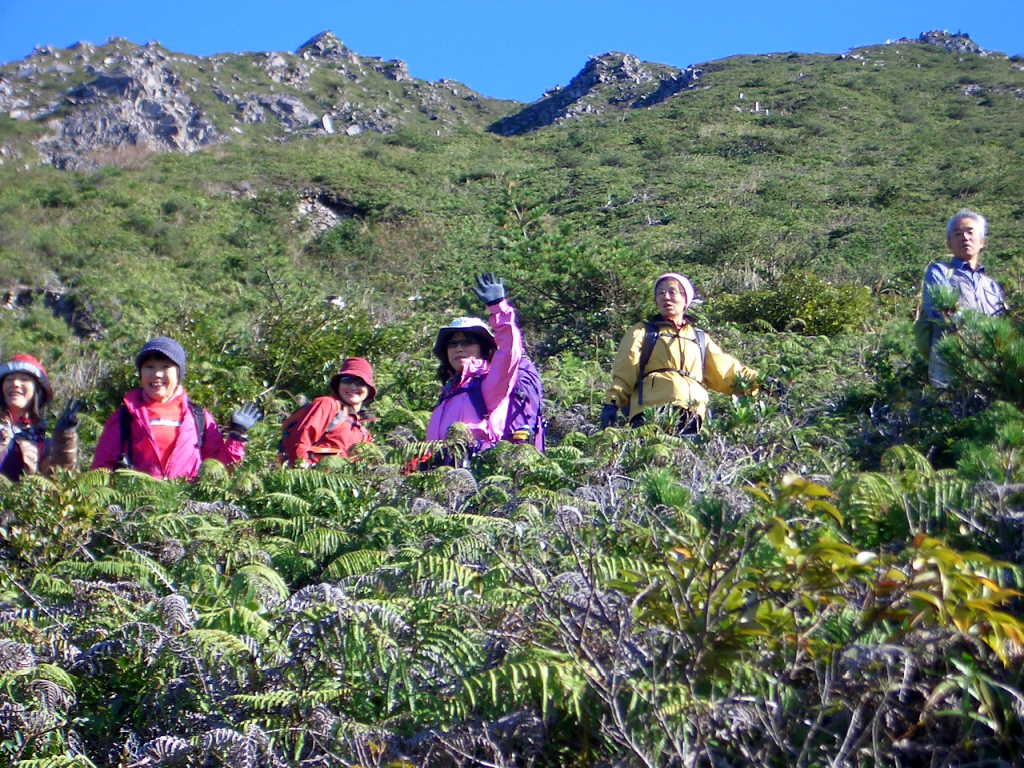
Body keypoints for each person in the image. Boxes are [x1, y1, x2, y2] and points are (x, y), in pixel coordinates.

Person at [601, 273, 759, 434]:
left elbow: (726, 372)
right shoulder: (643, 331)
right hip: (649, 408)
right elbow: (626, 368)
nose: (666, 297)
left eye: (672, 292)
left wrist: (762, 383)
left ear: (686, 300)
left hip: (691, 412)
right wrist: (612, 402)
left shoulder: (699, 338)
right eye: (660, 293)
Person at [92, 337, 262, 479]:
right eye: (149, 367)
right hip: (137, 510)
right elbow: (101, 470)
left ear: (179, 373)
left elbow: (219, 472)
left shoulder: (199, 417)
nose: (156, 374)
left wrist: (237, 436)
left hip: (187, 510)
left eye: (165, 367)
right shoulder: (124, 417)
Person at [425, 273, 523, 462]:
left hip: (477, 474)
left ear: (483, 349)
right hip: (444, 477)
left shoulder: (488, 385)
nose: (458, 348)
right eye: (452, 344)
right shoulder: (448, 392)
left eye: (467, 342)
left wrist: (499, 308)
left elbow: (509, 353)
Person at [920, 209, 1006, 388]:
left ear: (981, 241)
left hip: (988, 364)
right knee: (949, 413)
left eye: (970, 232)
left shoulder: (990, 285)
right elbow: (938, 311)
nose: (965, 238)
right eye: (957, 234)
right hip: (949, 360)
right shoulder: (940, 271)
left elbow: (1002, 325)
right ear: (949, 244)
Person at [280, 357, 376, 467]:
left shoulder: (364, 429)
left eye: (360, 383)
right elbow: (301, 441)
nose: (353, 386)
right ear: (338, 385)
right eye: (347, 381)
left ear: (368, 389)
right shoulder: (327, 405)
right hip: (314, 479)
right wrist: (302, 473)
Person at [0, 354, 80, 481]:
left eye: (24, 379)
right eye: (9, 379)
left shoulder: (43, 444)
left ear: (37, 391)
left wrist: (64, 439)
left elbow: (57, 480)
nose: (15, 383)